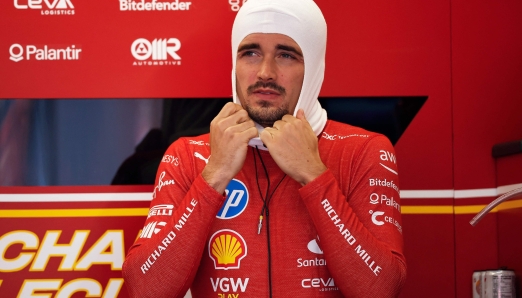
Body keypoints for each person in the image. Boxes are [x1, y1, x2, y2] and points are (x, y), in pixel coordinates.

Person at [122, 0, 406, 297]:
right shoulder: (188, 156)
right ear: (235, 63)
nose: (265, 72)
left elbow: (381, 288)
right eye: (251, 53)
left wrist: (314, 175)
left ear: (313, 67)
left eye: (286, 54)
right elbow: (146, 288)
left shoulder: (363, 151)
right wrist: (214, 175)